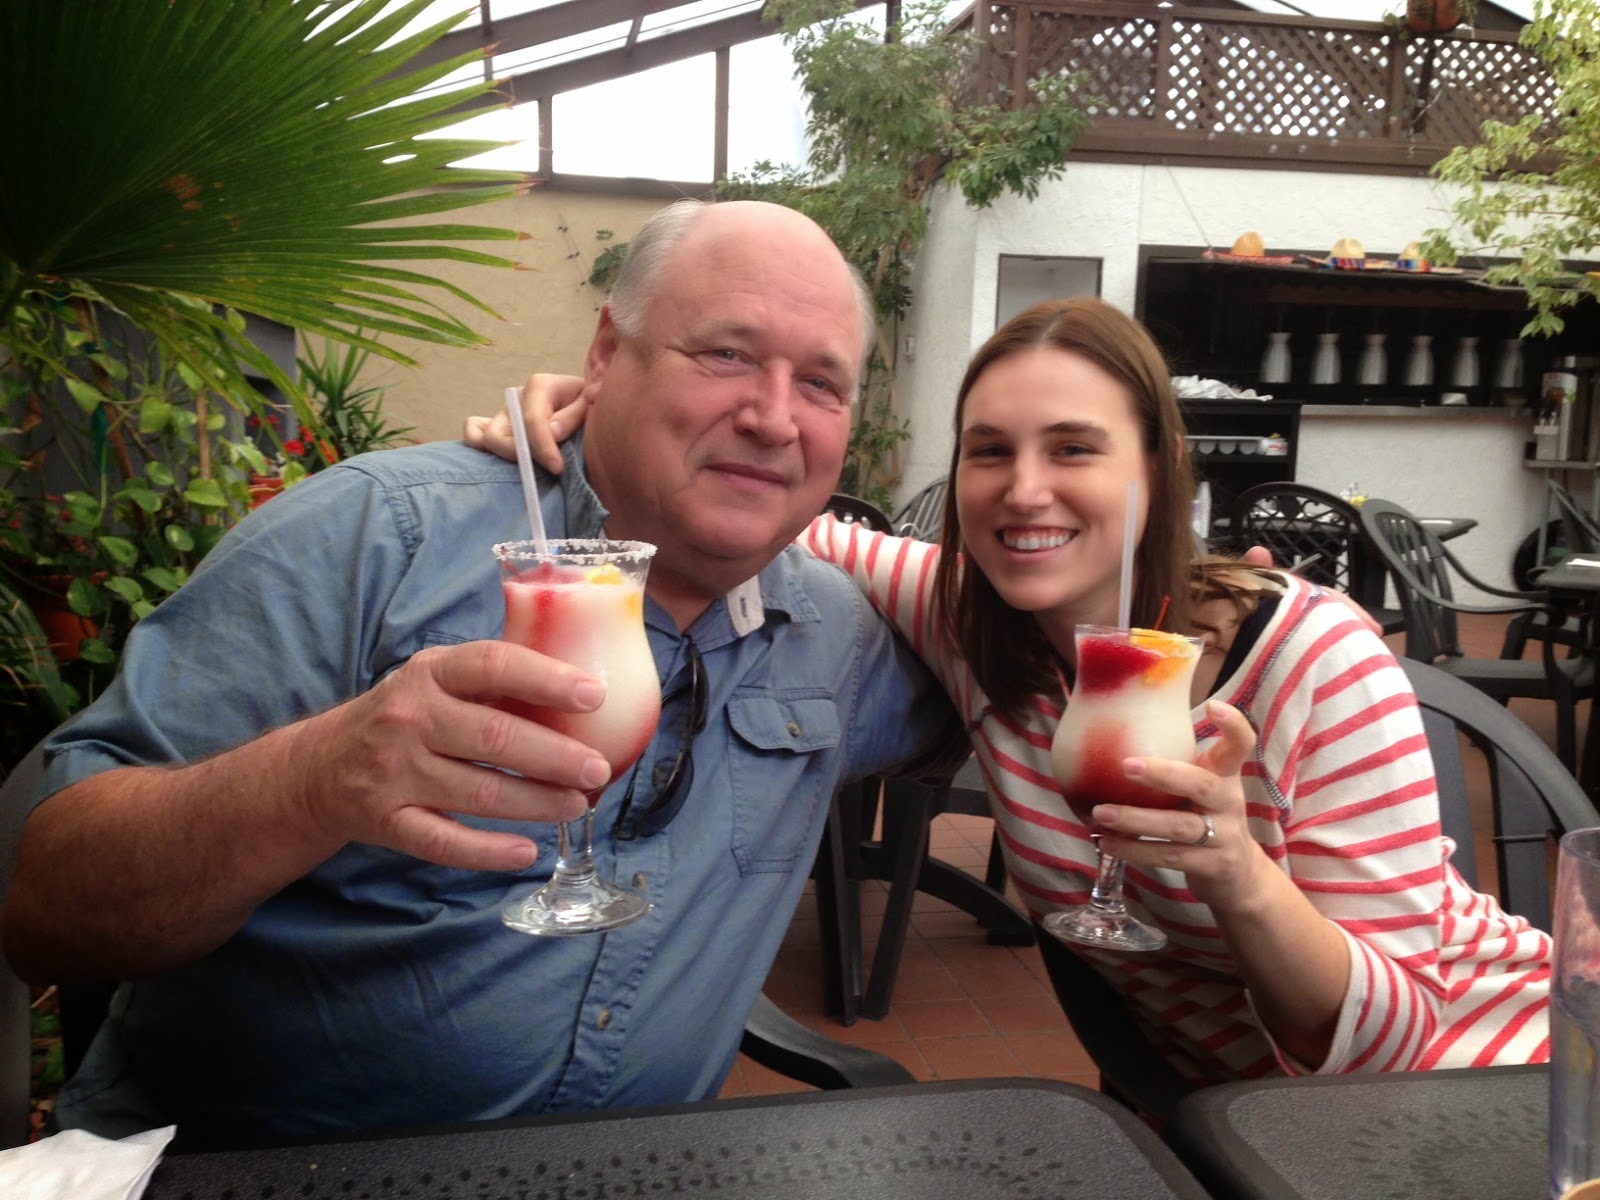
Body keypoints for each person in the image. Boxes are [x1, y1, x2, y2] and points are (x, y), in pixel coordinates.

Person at [0, 199, 952, 1143]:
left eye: (821, 383)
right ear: (606, 355)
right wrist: (311, 781)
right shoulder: (374, 539)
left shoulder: (837, 634)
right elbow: (48, 909)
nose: (774, 418)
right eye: (727, 354)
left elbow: (1004, 678)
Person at [490, 297, 1550, 1083]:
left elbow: (1395, 1048)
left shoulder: (1317, 662)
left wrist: (1239, 876)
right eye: (989, 452)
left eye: (1074, 449)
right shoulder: (967, 617)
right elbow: (788, 516)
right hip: (1231, 1125)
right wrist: (595, 416)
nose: (1024, 490)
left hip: (1496, 1081)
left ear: (1157, 467)